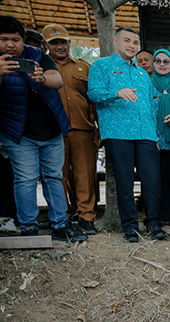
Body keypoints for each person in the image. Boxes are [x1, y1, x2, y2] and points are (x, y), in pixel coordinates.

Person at [0, 16, 85, 241]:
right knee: (25, 180)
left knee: (53, 178)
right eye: (4, 39)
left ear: (22, 40)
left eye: (16, 40)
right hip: (18, 134)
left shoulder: (38, 55)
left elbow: (57, 80)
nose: (10, 45)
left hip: (51, 130)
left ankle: (60, 225)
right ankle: (29, 226)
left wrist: (42, 77)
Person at [89, 27, 165, 242]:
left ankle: (153, 223)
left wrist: (156, 135)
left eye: (135, 42)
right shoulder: (102, 66)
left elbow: (151, 106)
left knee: (152, 179)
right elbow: (93, 93)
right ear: (115, 41)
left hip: (146, 135)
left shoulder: (142, 73)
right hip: (118, 133)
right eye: (127, 41)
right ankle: (130, 227)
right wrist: (116, 93)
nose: (131, 45)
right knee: (124, 181)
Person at [43, 24, 99, 235]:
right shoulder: (42, 67)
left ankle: (86, 217)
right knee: (59, 175)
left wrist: (98, 127)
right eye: (54, 43)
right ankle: (62, 216)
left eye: (62, 42)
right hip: (54, 132)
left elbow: (93, 100)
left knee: (85, 176)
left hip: (83, 129)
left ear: (69, 43)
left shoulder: (84, 67)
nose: (59, 46)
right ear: (46, 45)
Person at [151, 49, 170, 225]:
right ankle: (160, 217)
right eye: (158, 61)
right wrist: (152, 137)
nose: (162, 65)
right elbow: (145, 113)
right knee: (157, 180)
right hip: (155, 142)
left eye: (166, 61)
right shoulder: (147, 85)